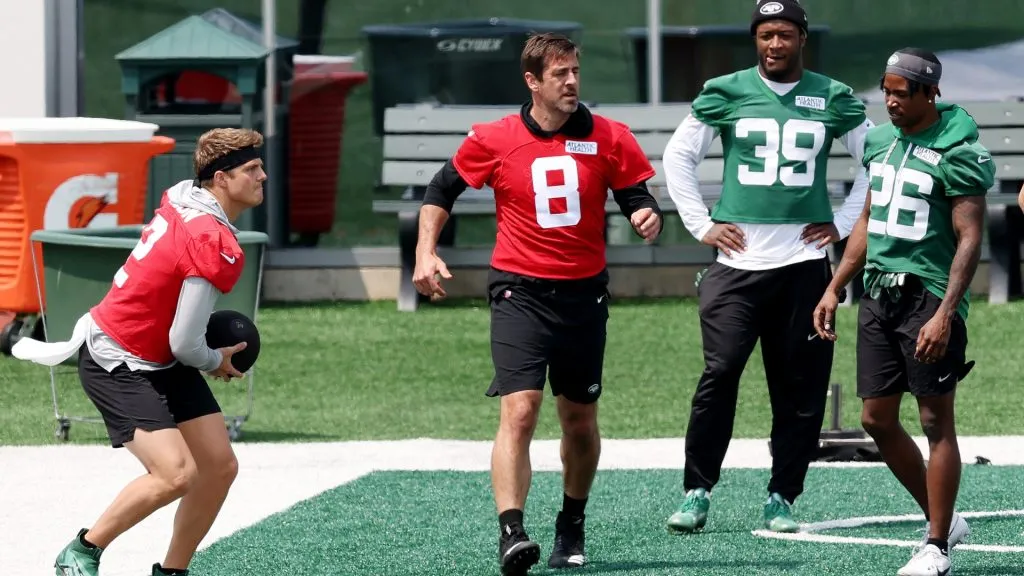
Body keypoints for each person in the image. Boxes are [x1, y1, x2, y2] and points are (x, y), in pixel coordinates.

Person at [412, 33, 661, 574]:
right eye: (559, 74)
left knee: (578, 420)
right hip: (518, 291)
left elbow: (637, 194)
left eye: (575, 71)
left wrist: (647, 214)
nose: (572, 82)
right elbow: (440, 190)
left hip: (583, 294)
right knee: (520, 410)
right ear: (532, 82)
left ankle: (571, 525)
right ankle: (512, 532)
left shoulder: (609, 136)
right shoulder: (496, 137)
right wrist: (425, 252)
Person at [660, 0, 875, 534]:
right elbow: (676, 157)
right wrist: (701, 224)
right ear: (755, 40)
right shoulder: (726, 90)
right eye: (764, 35)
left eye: (783, 34)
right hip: (736, 263)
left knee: (800, 387)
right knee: (721, 371)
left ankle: (783, 495)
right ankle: (697, 489)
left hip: (804, 264)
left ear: (802, 38)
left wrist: (845, 221)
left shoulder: (833, 96)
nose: (774, 44)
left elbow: (878, 161)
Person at [14, 128, 266, 576]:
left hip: (157, 355)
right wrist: (215, 360)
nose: (263, 176)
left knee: (219, 466)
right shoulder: (211, 241)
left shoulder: (187, 197)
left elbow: (176, 340)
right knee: (175, 474)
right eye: (251, 169)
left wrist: (200, 354)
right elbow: (186, 343)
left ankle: (173, 571)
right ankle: (83, 549)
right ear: (222, 179)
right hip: (118, 359)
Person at [813, 47, 989, 576]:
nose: (889, 101)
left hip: (928, 295)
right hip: (879, 294)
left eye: (900, 92)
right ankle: (945, 520)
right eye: (885, 90)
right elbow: (868, 218)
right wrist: (835, 285)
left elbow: (970, 238)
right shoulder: (880, 141)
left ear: (929, 93)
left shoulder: (959, 147)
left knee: (935, 420)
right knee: (876, 418)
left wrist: (946, 312)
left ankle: (936, 544)